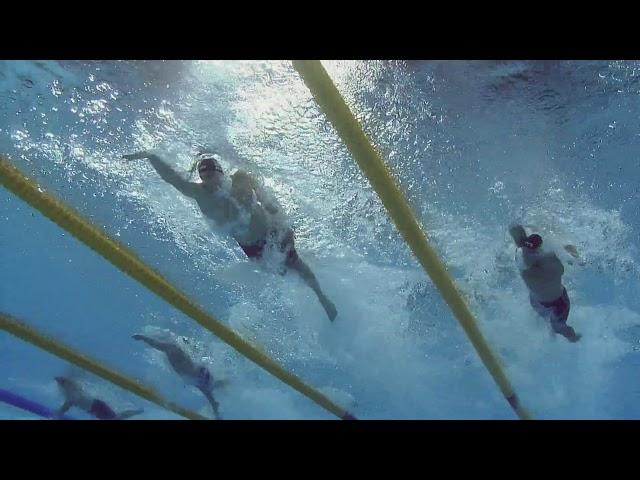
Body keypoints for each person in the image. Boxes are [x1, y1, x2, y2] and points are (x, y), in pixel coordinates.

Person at [122, 149, 337, 321]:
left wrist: (278, 217)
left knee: (296, 264)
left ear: (220, 172)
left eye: (211, 174)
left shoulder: (240, 180)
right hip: (252, 248)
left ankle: (322, 297)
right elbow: (172, 178)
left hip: (272, 233)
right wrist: (151, 156)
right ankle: (313, 270)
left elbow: (266, 197)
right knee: (282, 271)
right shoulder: (199, 194)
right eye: (203, 176)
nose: (208, 180)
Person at [509, 224, 582, 342]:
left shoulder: (548, 257)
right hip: (539, 300)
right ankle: (560, 333)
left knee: (557, 327)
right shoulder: (525, 259)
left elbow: (569, 252)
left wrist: (575, 256)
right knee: (546, 323)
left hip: (558, 303)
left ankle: (570, 337)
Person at [133, 332, 225, 419]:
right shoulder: (169, 347)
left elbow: (155, 343)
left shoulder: (172, 347)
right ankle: (221, 389)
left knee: (209, 394)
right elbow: (154, 343)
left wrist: (142, 337)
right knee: (210, 393)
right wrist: (142, 337)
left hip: (196, 374)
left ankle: (220, 395)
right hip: (194, 375)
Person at [54, 376, 143, 420]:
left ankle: (136, 412)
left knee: (116, 418)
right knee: (116, 418)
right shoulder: (71, 396)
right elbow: (64, 408)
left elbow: (64, 408)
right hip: (95, 408)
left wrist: (55, 416)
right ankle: (136, 412)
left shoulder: (72, 395)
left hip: (97, 406)